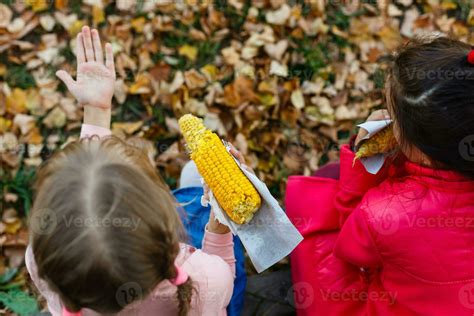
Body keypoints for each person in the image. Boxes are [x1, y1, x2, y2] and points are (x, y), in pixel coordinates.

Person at [26, 26, 246, 316]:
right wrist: (220, 226)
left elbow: (88, 195)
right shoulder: (202, 280)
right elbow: (223, 279)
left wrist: (96, 110)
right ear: (165, 219)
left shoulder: (47, 265)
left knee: (194, 180)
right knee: (197, 184)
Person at [286, 36, 474, 315]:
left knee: (314, 201)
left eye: (394, 117)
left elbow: (352, 248)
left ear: (421, 151)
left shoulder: (385, 211)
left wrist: (361, 160)